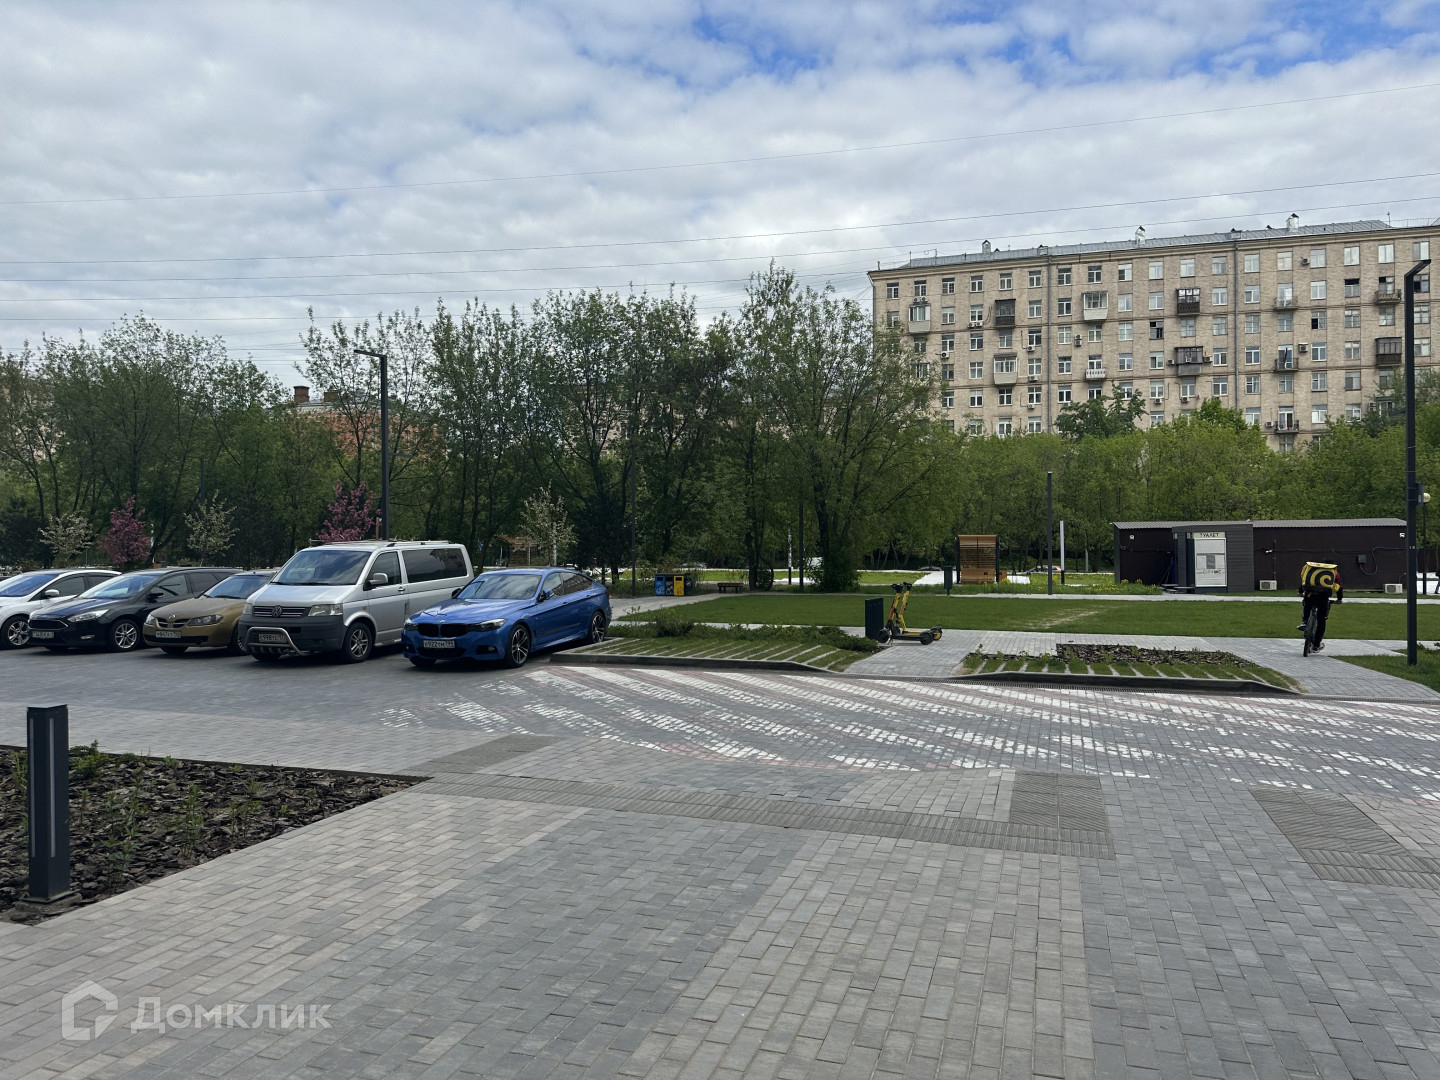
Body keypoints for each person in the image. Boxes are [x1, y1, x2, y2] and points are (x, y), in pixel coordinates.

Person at [1298, 562, 1343, 652]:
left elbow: (1304, 581)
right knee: (1321, 620)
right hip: (1323, 597)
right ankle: (1316, 645)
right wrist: (1339, 599)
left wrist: (1300, 592)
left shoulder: (1312, 569)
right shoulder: (1335, 573)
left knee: (1307, 606)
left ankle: (1304, 622)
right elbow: (1339, 587)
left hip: (1310, 594)